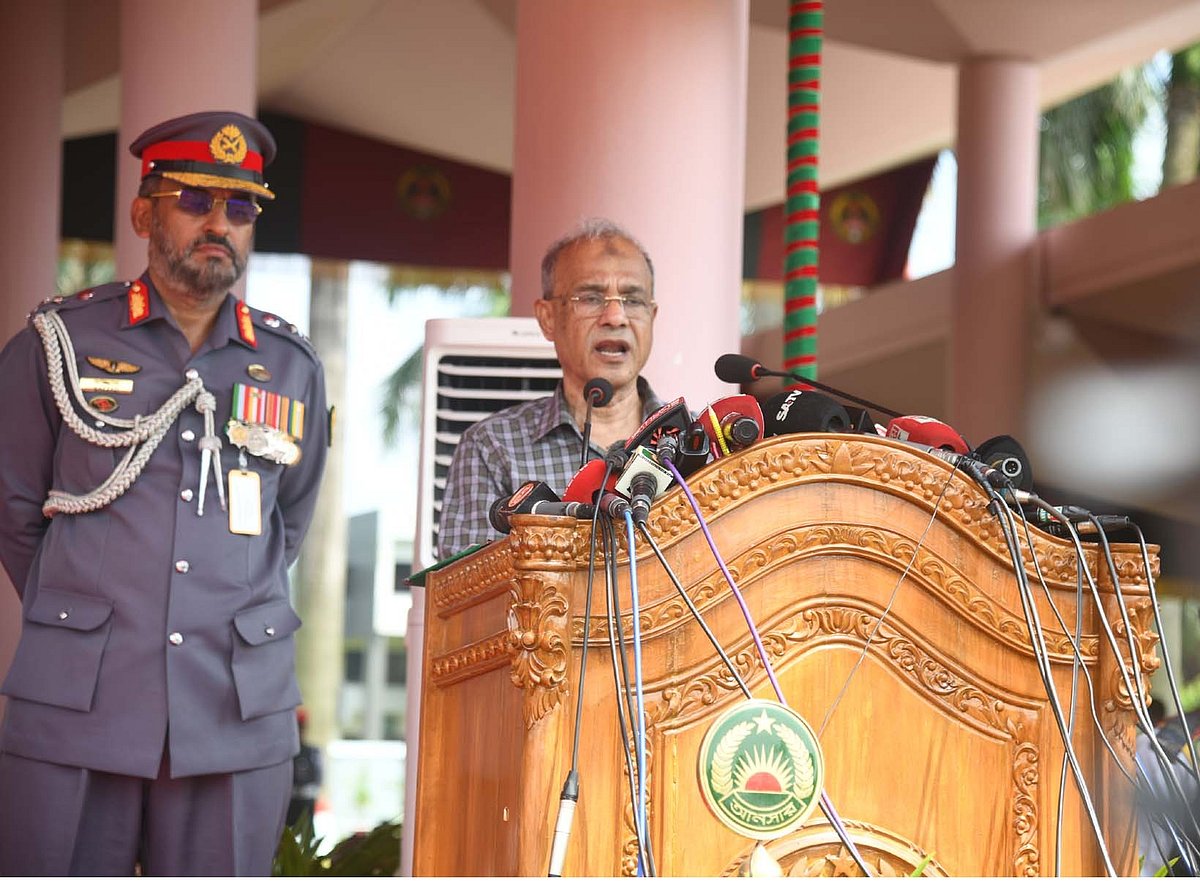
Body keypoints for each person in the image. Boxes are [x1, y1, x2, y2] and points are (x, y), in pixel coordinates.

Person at [0, 111, 329, 875]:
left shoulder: (290, 364)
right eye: (196, 201)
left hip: (232, 707)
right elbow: (15, 507)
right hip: (80, 699)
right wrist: (86, 606)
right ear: (144, 214)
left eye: (241, 208)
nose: (220, 224)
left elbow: (288, 521)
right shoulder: (60, 343)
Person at [437, 219, 664, 558]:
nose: (616, 317)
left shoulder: (700, 442)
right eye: (591, 298)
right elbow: (466, 587)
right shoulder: (492, 447)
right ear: (548, 319)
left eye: (633, 300)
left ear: (652, 316)